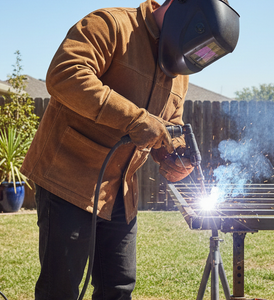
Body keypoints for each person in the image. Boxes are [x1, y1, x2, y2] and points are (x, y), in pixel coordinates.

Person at [20, 0, 239, 299]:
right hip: (68, 179)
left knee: (119, 287)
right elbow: (66, 75)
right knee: (61, 289)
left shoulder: (180, 70)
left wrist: (173, 155)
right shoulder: (111, 25)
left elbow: (170, 122)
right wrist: (135, 119)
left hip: (121, 192)